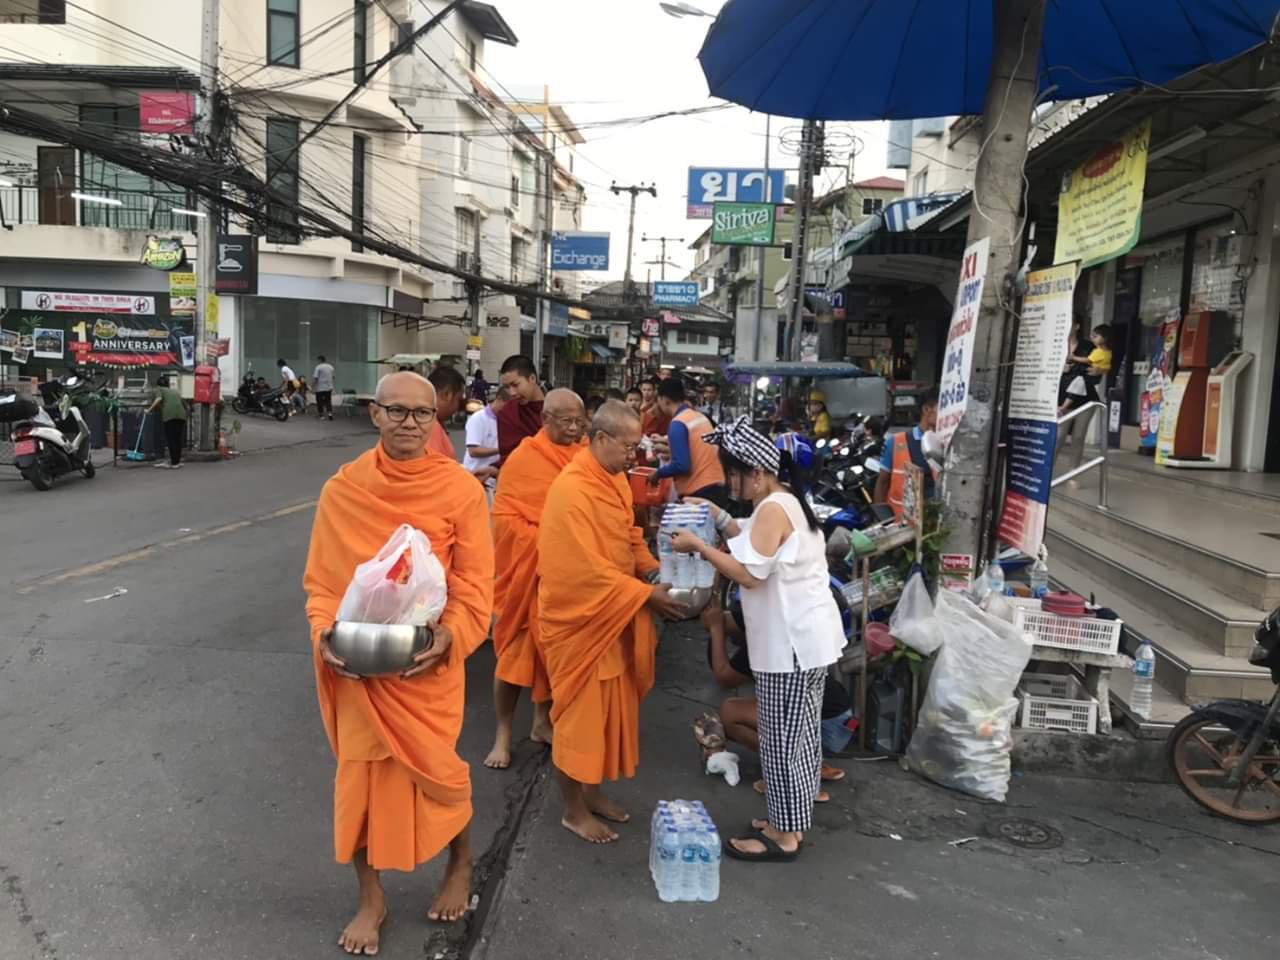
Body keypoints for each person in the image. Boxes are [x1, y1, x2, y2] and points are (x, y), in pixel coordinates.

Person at [302, 371, 494, 953]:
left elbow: (476, 583)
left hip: (427, 663)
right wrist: (323, 636)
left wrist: (454, 635)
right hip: (361, 663)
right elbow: (320, 584)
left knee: (440, 770)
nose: (409, 423)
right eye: (398, 411)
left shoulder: (458, 490)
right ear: (375, 414)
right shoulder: (345, 489)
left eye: (422, 414)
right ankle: (371, 897)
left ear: (438, 420)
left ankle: (459, 863)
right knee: (357, 779)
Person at [671, 415, 843, 862]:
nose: (730, 480)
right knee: (799, 740)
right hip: (806, 642)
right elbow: (752, 543)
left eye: (734, 472)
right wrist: (720, 518)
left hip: (791, 647)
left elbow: (748, 573)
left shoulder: (772, 508)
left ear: (759, 473)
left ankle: (782, 838)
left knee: (784, 743)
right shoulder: (784, 502)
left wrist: (701, 547)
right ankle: (788, 822)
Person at [537, 400, 688, 843]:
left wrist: (654, 571)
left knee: (606, 719)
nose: (634, 456)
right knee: (578, 723)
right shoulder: (572, 490)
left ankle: (592, 792)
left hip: (613, 614)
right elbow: (581, 570)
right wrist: (646, 595)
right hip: (580, 619)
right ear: (601, 439)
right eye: (628, 447)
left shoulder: (615, 480)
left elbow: (629, 538)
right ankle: (571, 810)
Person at [484, 389, 589, 771]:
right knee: (511, 662)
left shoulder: (584, 457)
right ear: (546, 419)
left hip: (564, 576)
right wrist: (547, 539)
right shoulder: (525, 459)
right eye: (567, 422)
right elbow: (505, 520)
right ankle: (502, 734)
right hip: (526, 574)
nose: (575, 428)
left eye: (580, 421)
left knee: (553, 659)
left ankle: (542, 723)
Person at [702, 603, 847, 799]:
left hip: (824, 727)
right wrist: (716, 620)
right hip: (840, 718)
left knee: (730, 712)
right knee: (764, 702)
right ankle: (806, 765)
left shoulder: (764, 639)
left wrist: (716, 629)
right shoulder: (779, 618)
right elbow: (727, 619)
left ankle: (793, 773)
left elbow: (724, 678)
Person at [651, 376, 728, 506]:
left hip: (700, 490)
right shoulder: (698, 416)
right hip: (717, 485)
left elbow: (681, 465)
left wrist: (657, 474)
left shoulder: (678, 423)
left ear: (664, 399)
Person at [874, 387, 939, 520]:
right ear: (926, 409)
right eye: (943, 408)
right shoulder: (896, 442)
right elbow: (882, 482)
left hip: (937, 527)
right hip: (903, 526)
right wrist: (881, 519)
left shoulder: (950, 443)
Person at [497, 354, 546, 460]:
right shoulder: (507, 413)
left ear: (532, 378)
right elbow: (509, 456)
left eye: (515, 385)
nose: (512, 393)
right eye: (507, 387)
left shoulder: (556, 406)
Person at [462, 385, 510, 494]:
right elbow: (473, 451)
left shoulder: (505, 420)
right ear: (499, 399)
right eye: (508, 406)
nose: (510, 410)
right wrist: (500, 449)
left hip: (494, 479)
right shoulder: (478, 419)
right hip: (476, 477)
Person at [1059, 324, 1114, 416]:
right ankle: (1064, 407)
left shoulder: (1091, 347)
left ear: (1077, 326)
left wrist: (1099, 370)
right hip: (1057, 396)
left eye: (1095, 336)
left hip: (1083, 399)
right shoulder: (1054, 345)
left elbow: (1096, 368)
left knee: (1077, 385)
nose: (1092, 338)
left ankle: (1064, 406)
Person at [147, 374, 187, 469]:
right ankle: (176, 461)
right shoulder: (175, 391)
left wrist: (149, 410)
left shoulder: (160, 389)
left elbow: (159, 399)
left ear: (158, 385)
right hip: (181, 416)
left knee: (171, 439)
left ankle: (174, 463)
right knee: (177, 439)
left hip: (170, 416)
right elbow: (185, 404)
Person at [427, 365, 466, 460]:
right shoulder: (429, 427)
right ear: (447, 394)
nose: (457, 407)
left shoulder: (428, 421)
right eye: (458, 399)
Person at [314, 355, 336, 421]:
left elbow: (316, 378)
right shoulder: (331, 367)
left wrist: (312, 386)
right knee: (328, 401)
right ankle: (330, 414)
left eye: (318, 360)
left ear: (320, 360)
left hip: (320, 387)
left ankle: (321, 415)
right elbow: (333, 377)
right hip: (328, 387)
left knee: (319, 401)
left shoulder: (318, 367)